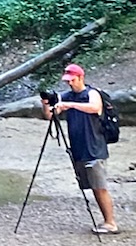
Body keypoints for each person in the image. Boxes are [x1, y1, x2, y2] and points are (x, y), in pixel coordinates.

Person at [41, 62, 119, 233]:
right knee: (92, 185)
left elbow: (95, 108)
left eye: (72, 80)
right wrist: (47, 102)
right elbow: (49, 116)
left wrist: (69, 105)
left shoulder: (92, 93)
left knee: (100, 186)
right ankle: (106, 221)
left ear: (80, 77)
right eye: (67, 80)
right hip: (78, 147)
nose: (69, 83)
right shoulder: (66, 95)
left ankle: (110, 223)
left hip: (95, 146)